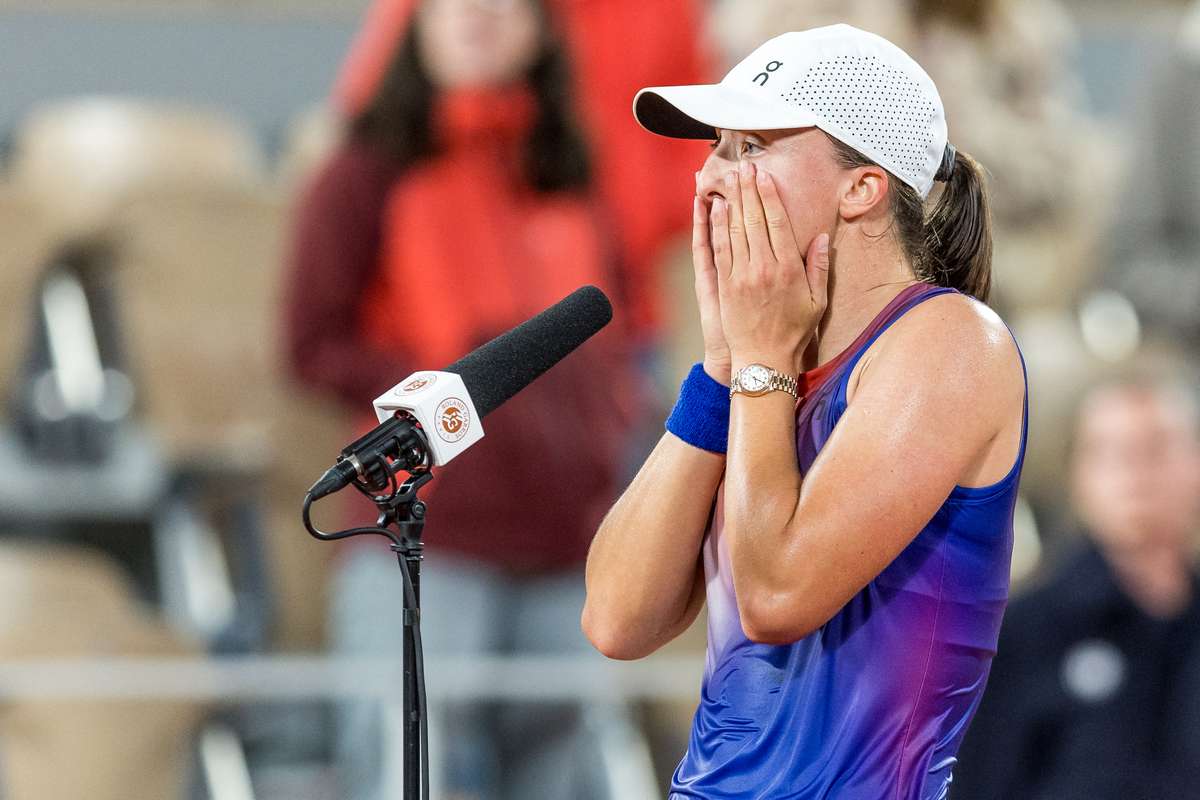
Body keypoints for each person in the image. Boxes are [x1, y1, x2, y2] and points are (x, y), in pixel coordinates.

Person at [583, 24, 1028, 798]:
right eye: (716, 148)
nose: (708, 178)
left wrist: (759, 360)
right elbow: (617, 621)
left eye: (750, 147)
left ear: (862, 189)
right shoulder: (768, 370)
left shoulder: (953, 342)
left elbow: (776, 596)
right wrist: (723, 367)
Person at [283, 1, 645, 797]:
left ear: (543, 27)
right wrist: (438, 389)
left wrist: (600, 420)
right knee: (410, 769)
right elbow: (311, 343)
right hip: (431, 533)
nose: (479, 14)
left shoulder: (572, 177)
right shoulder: (365, 171)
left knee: (559, 775)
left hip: (569, 541)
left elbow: (624, 327)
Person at [953, 375, 1200, 799]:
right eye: (1108, 453)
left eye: (1156, 448)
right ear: (1077, 475)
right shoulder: (1018, 634)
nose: (1134, 473)